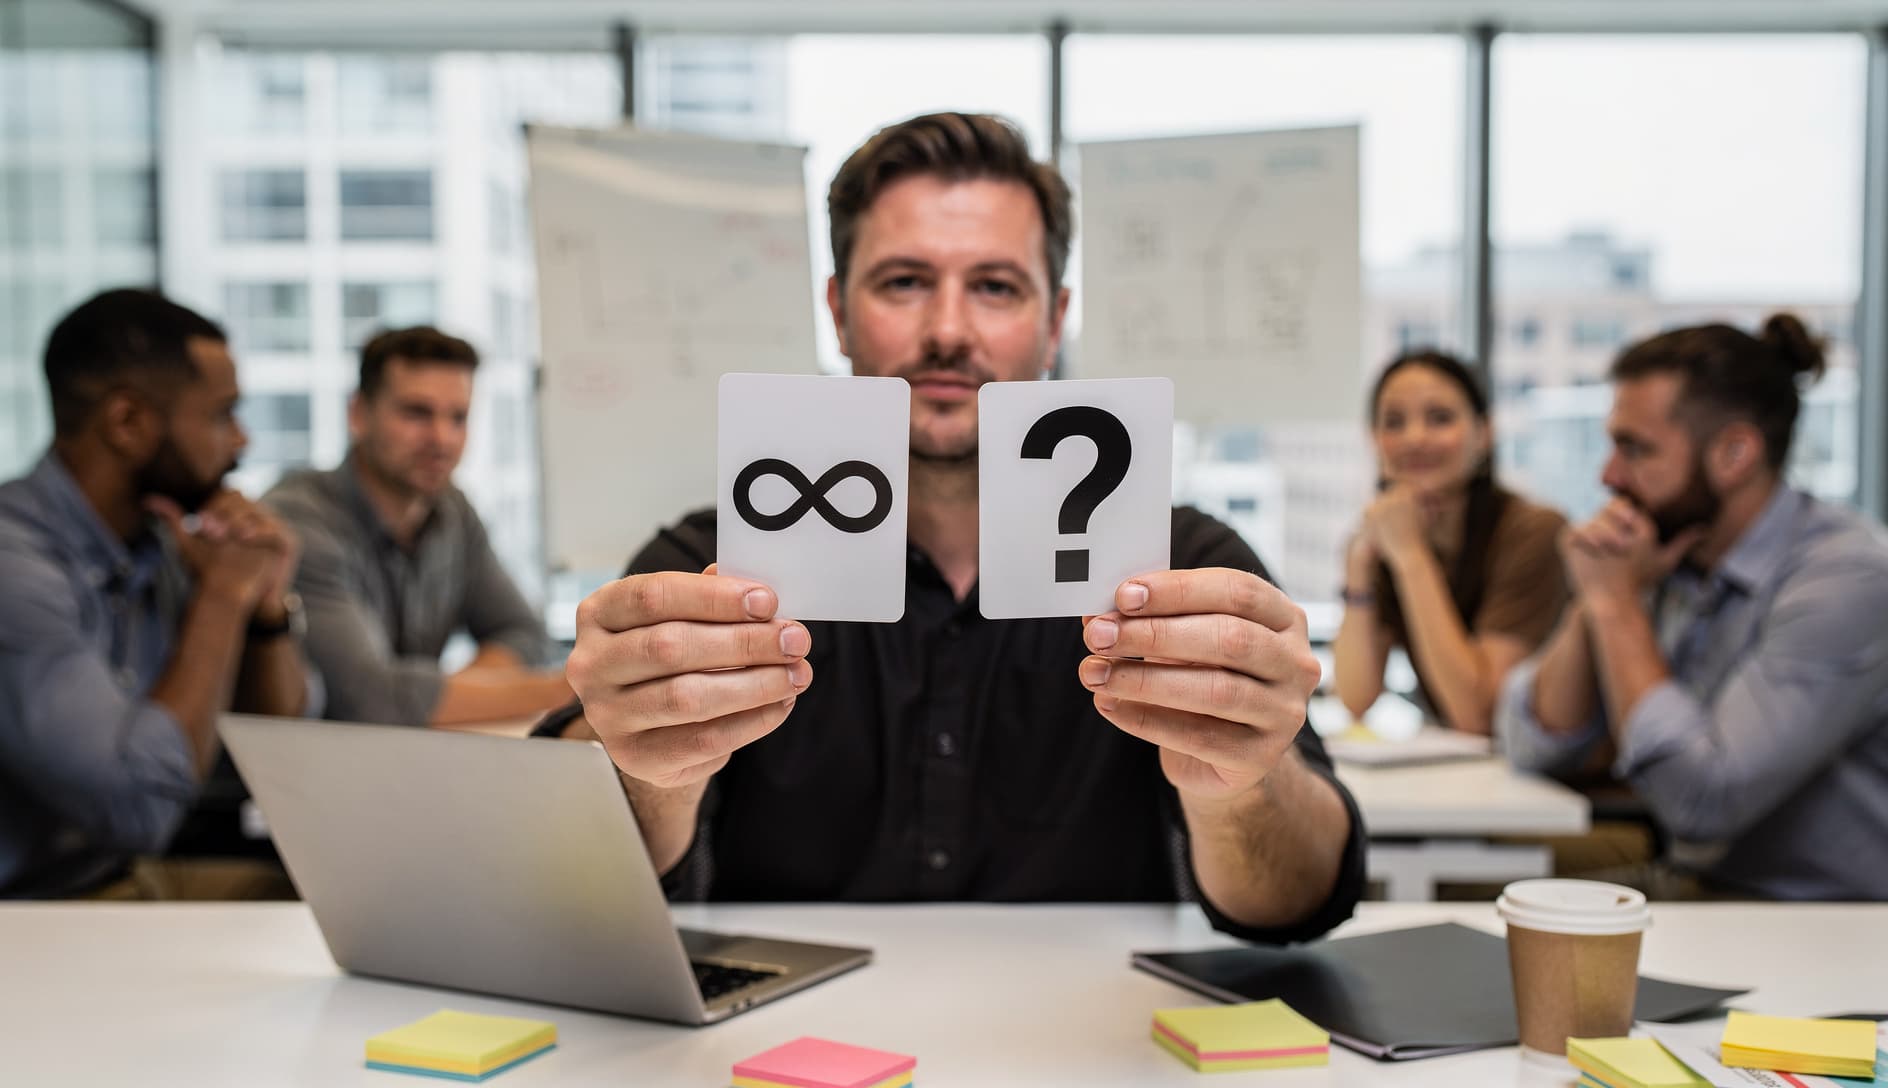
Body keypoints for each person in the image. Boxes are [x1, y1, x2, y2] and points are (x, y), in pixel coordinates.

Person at [540, 112, 1365, 942]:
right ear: (837, 310)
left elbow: (1298, 903)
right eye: (902, 281)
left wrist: (1244, 783)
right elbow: (573, 899)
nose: (947, 330)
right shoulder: (712, 570)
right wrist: (648, 772)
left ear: (1053, 320)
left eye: (996, 287)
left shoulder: (1181, 568)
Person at [1497, 315, 1888, 900]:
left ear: (1734, 453)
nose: (1609, 475)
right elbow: (1533, 745)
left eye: (1635, 449)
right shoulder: (1669, 555)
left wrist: (1615, 603)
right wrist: (1597, 600)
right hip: (1706, 891)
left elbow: (1704, 801)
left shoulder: (1845, 579)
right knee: (1472, 910)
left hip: (1822, 923)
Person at [0, 289, 313, 899]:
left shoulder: (160, 545)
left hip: (110, 885)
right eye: (222, 415)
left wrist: (265, 605)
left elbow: (286, 753)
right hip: (30, 916)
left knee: (346, 899)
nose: (241, 442)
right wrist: (222, 598)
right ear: (127, 423)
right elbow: (140, 807)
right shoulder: (15, 568)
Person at [265, 327, 570, 728]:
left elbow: (523, 631)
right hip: (293, 772)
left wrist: (445, 695)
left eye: (458, 417)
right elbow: (368, 698)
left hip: (403, 759)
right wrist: (562, 690)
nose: (441, 439)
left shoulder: (452, 509)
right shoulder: (298, 519)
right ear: (358, 414)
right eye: (417, 413)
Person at [1333, 351, 1569, 734]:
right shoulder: (1388, 538)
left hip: (1560, 780)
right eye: (1394, 422)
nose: (1415, 438)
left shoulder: (1534, 532)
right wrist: (1359, 567)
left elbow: (1479, 714)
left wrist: (1411, 556)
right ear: (1374, 440)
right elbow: (1355, 698)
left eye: (1440, 418)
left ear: (1484, 433)